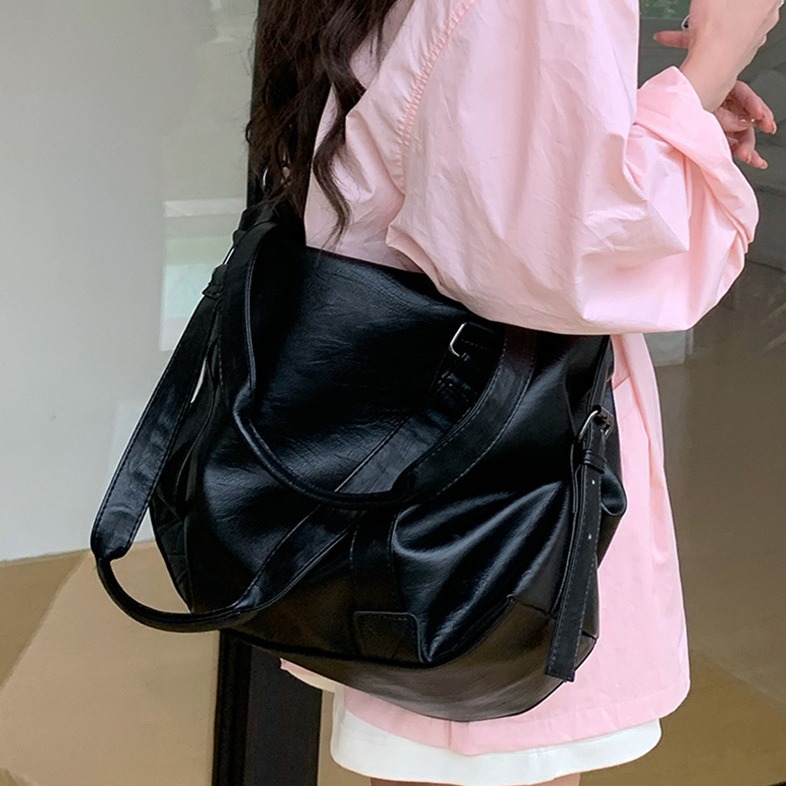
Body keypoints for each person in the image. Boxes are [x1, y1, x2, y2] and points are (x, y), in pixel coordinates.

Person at [244, 0, 782, 784]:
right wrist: (710, 68)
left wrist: (671, 118)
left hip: (402, 442)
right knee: (488, 734)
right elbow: (562, 259)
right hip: (495, 467)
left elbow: (475, 173)